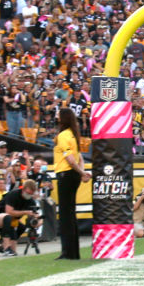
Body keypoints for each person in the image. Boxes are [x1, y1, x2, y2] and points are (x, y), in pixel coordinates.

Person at [53, 106, 90, 260]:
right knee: (71, 214)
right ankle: (73, 252)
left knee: (65, 215)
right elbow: (79, 157)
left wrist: (81, 172)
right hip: (73, 175)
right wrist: (81, 172)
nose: (56, 115)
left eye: (58, 114)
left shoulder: (62, 136)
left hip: (65, 175)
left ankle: (67, 252)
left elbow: (70, 159)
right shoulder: (73, 135)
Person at [0, 179, 40, 258]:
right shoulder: (13, 194)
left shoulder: (30, 200)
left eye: (31, 194)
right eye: (28, 193)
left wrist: (37, 220)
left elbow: (36, 215)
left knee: (21, 229)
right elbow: (9, 212)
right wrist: (25, 212)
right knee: (7, 217)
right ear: (23, 189)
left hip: (11, 221)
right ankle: (7, 247)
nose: (29, 195)